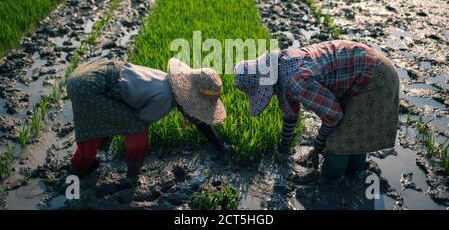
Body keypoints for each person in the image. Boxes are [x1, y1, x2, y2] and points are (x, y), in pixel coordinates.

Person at [234, 40, 399, 180]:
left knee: (338, 142)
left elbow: (334, 115)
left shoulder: (296, 82)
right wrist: (282, 150)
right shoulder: (283, 63)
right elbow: (290, 116)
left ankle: (332, 184)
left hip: (375, 79)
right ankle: (355, 176)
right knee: (353, 136)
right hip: (368, 65)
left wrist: (317, 147)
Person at [66, 57, 227, 184]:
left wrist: (219, 145)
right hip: (91, 87)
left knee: (96, 123)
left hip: (86, 76)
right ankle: (131, 176)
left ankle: (79, 167)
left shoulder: (168, 82)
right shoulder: (164, 98)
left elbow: (197, 120)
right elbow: (140, 122)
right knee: (136, 128)